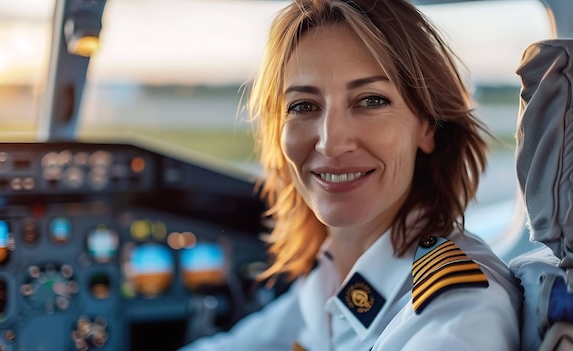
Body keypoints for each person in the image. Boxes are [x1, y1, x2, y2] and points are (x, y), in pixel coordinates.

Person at [180, 0, 522, 350]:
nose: (330, 143)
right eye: (302, 106)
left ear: (427, 126)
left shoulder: (457, 313)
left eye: (371, 100)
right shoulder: (326, 284)